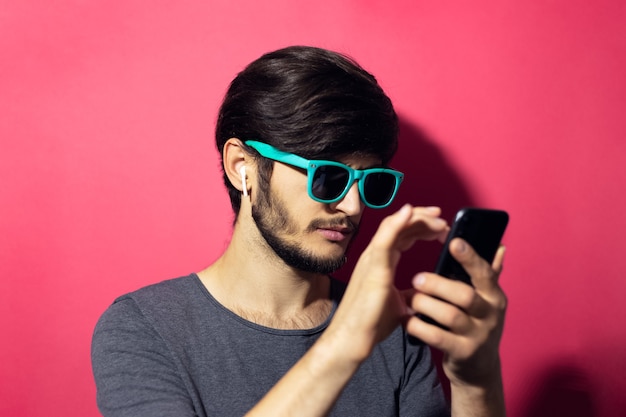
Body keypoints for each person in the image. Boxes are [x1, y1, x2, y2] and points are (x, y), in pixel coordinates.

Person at [91, 45, 507, 417]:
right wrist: (345, 343)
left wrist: (476, 381)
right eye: (328, 177)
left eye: (371, 182)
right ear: (243, 167)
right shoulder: (145, 328)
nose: (353, 206)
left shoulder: (392, 328)